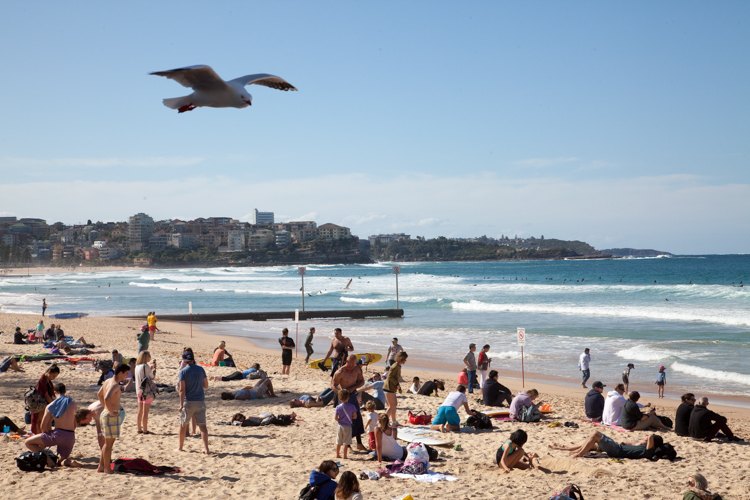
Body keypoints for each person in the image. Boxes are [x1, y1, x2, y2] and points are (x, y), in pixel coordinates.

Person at [25, 383, 93, 466]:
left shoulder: (51, 405)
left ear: (54, 392)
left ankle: (48, 460)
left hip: (58, 434)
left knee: (28, 442)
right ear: (65, 391)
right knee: (61, 460)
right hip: (70, 436)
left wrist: (45, 438)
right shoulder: (73, 403)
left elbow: (43, 425)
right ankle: (69, 462)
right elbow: (75, 423)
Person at [98, 364, 131, 473]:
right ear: (120, 373)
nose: (126, 375)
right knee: (109, 444)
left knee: (107, 443)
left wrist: (105, 407)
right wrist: (111, 410)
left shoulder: (107, 381)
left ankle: (101, 466)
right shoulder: (115, 384)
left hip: (106, 414)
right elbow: (106, 397)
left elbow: (99, 394)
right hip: (111, 416)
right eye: (126, 373)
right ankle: (107, 468)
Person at [331, 354, 366, 451]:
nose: (351, 366)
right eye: (349, 364)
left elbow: (362, 381)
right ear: (346, 362)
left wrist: (353, 388)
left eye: (353, 364)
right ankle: (348, 444)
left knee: (357, 418)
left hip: (353, 395)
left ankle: (359, 443)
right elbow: (333, 384)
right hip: (344, 396)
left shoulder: (357, 369)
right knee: (346, 419)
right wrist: (340, 393)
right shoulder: (340, 372)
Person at [550, 431, 666, 459]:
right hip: (617, 447)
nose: (645, 438)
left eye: (648, 439)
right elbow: (626, 443)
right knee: (592, 443)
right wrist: (640, 442)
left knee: (595, 434)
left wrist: (650, 438)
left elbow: (651, 436)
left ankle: (579, 454)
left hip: (617, 451)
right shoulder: (642, 447)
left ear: (653, 443)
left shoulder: (649, 451)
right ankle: (564, 448)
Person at [178, 350, 210, 454]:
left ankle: (180, 447)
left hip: (189, 401)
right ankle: (206, 448)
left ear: (185, 360)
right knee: (203, 426)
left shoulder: (183, 372)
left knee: (183, 425)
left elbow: (182, 390)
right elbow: (206, 385)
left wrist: (181, 404)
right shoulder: (201, 369)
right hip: (200, 400)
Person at [31, 364, 60, 434]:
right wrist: (53, 404)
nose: (54, 378)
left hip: (45, 403)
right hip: (40, 403)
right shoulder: (43, 380)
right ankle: (39, 434)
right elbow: (46, 394)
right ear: (49, 372)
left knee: (45, 421)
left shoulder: (47, 380)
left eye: (55, 376)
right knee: (39, 421)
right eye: (53, 376)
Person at [135, 351, 157, 434]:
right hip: (146, 391)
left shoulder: (137, 366)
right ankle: (145, 429)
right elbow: (152, 377)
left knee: (140, 410)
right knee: (145, 411)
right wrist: (153, 370)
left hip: (139, 390)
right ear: (146, 357)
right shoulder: (145, 366)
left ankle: (139, 428)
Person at [383, 351, 407, 425]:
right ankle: (384, 421)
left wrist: (398, 386)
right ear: (401, 358)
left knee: (393, 405)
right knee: (392, 406)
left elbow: (394, 378)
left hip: (391, 388)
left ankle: (393, 421)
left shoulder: (397, 365)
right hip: (389, 387)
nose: (405, 361)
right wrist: (397, 385)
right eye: (405, 359)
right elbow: (390, 377)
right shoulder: (395, 366)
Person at [335, 389, 358, 459]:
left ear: (339, 398)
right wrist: (351, 417)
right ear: (348, 397)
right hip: (347, 425)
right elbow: (355, 416)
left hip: (340, 425)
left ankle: (337, 454)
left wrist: (339, 420)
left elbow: (336, 418)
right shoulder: (352, 406)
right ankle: (345, 455)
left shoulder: (338, 407)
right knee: (346, 442)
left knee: (339, 441)